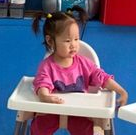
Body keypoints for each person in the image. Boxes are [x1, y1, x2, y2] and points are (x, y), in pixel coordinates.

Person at [30, 7, 128, 135]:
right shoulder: (46, 66)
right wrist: (45, 96)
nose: (74, 45)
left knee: (85, 128)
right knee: (39, 127)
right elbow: (43, 83)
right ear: (50, 41)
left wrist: (121, 91)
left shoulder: (84, 64)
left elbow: (102, 78)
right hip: (52, 110)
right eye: (67, 40)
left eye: (76, 39)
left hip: (78, 112)